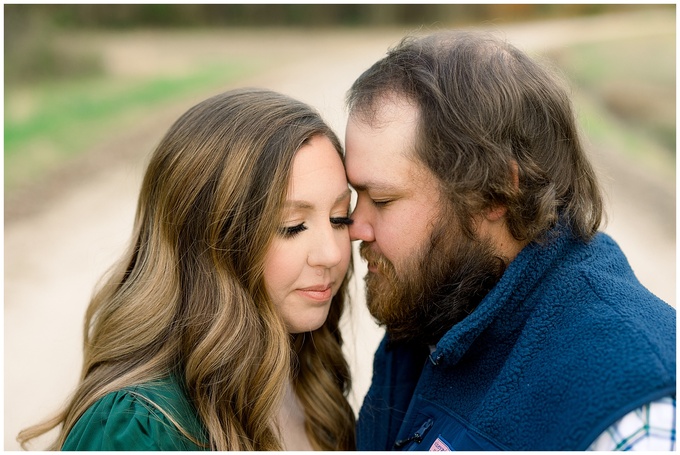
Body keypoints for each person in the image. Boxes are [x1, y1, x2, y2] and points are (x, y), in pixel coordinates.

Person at [344, 31, 676, 451]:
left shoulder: (636, 414)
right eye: (355, 195)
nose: (356, 225)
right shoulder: (432, 308)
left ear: (495, 192)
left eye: (383, 199)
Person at [17, 88, 357, 451]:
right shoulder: (135, 429)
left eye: (339, 218)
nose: (332, 253)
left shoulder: (309, 373)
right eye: (292, 225)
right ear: (207, 242)